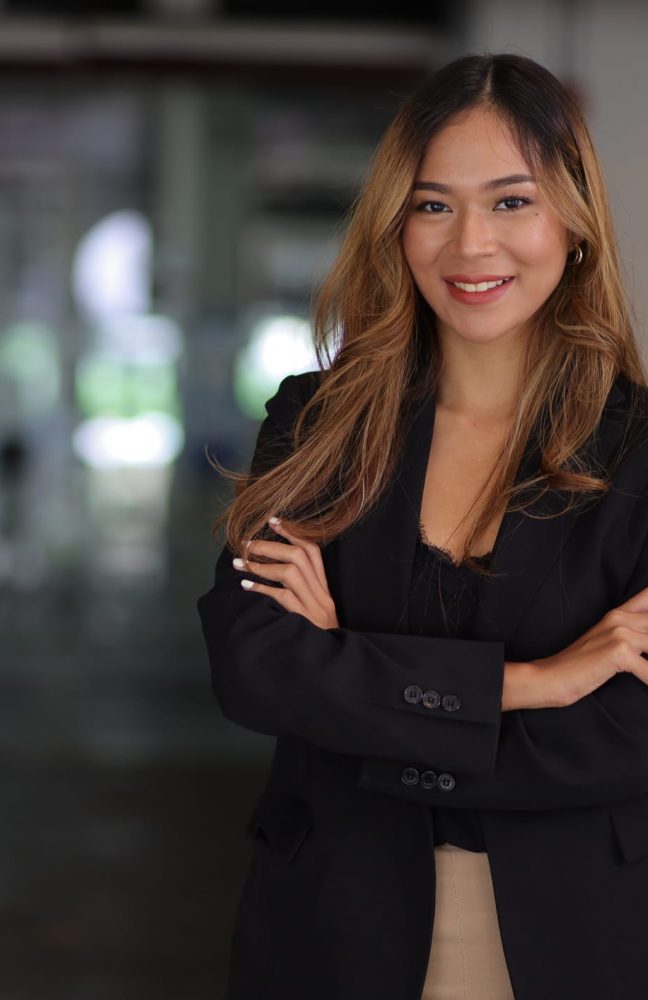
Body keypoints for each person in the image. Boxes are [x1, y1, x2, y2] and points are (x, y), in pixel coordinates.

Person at [197, 53, 648, 1000]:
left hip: (577, 936)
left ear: (574, 226)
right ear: (395, 226)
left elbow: (627, 731)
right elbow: (255, 663)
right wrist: (532, 683)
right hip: (334, 925)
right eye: (434, 205)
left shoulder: (643, 454)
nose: (470, 245)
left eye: (512, 202)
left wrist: (354, 689)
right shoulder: (317, 423)